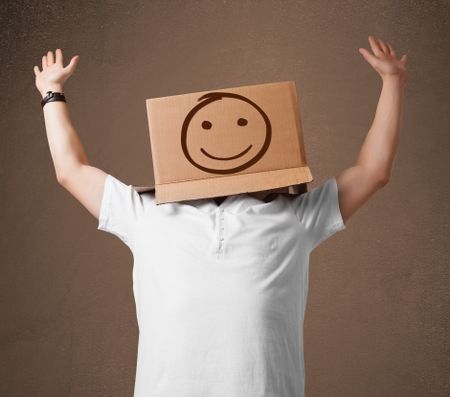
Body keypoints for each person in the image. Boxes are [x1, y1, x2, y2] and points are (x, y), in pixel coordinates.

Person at [34, 35, 408, 397]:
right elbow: (71, 171)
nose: (222, 140)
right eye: (209, 128)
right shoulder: (145, 212)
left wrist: (392, 81)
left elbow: (373, 171)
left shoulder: (293, 215)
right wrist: (52, 93)